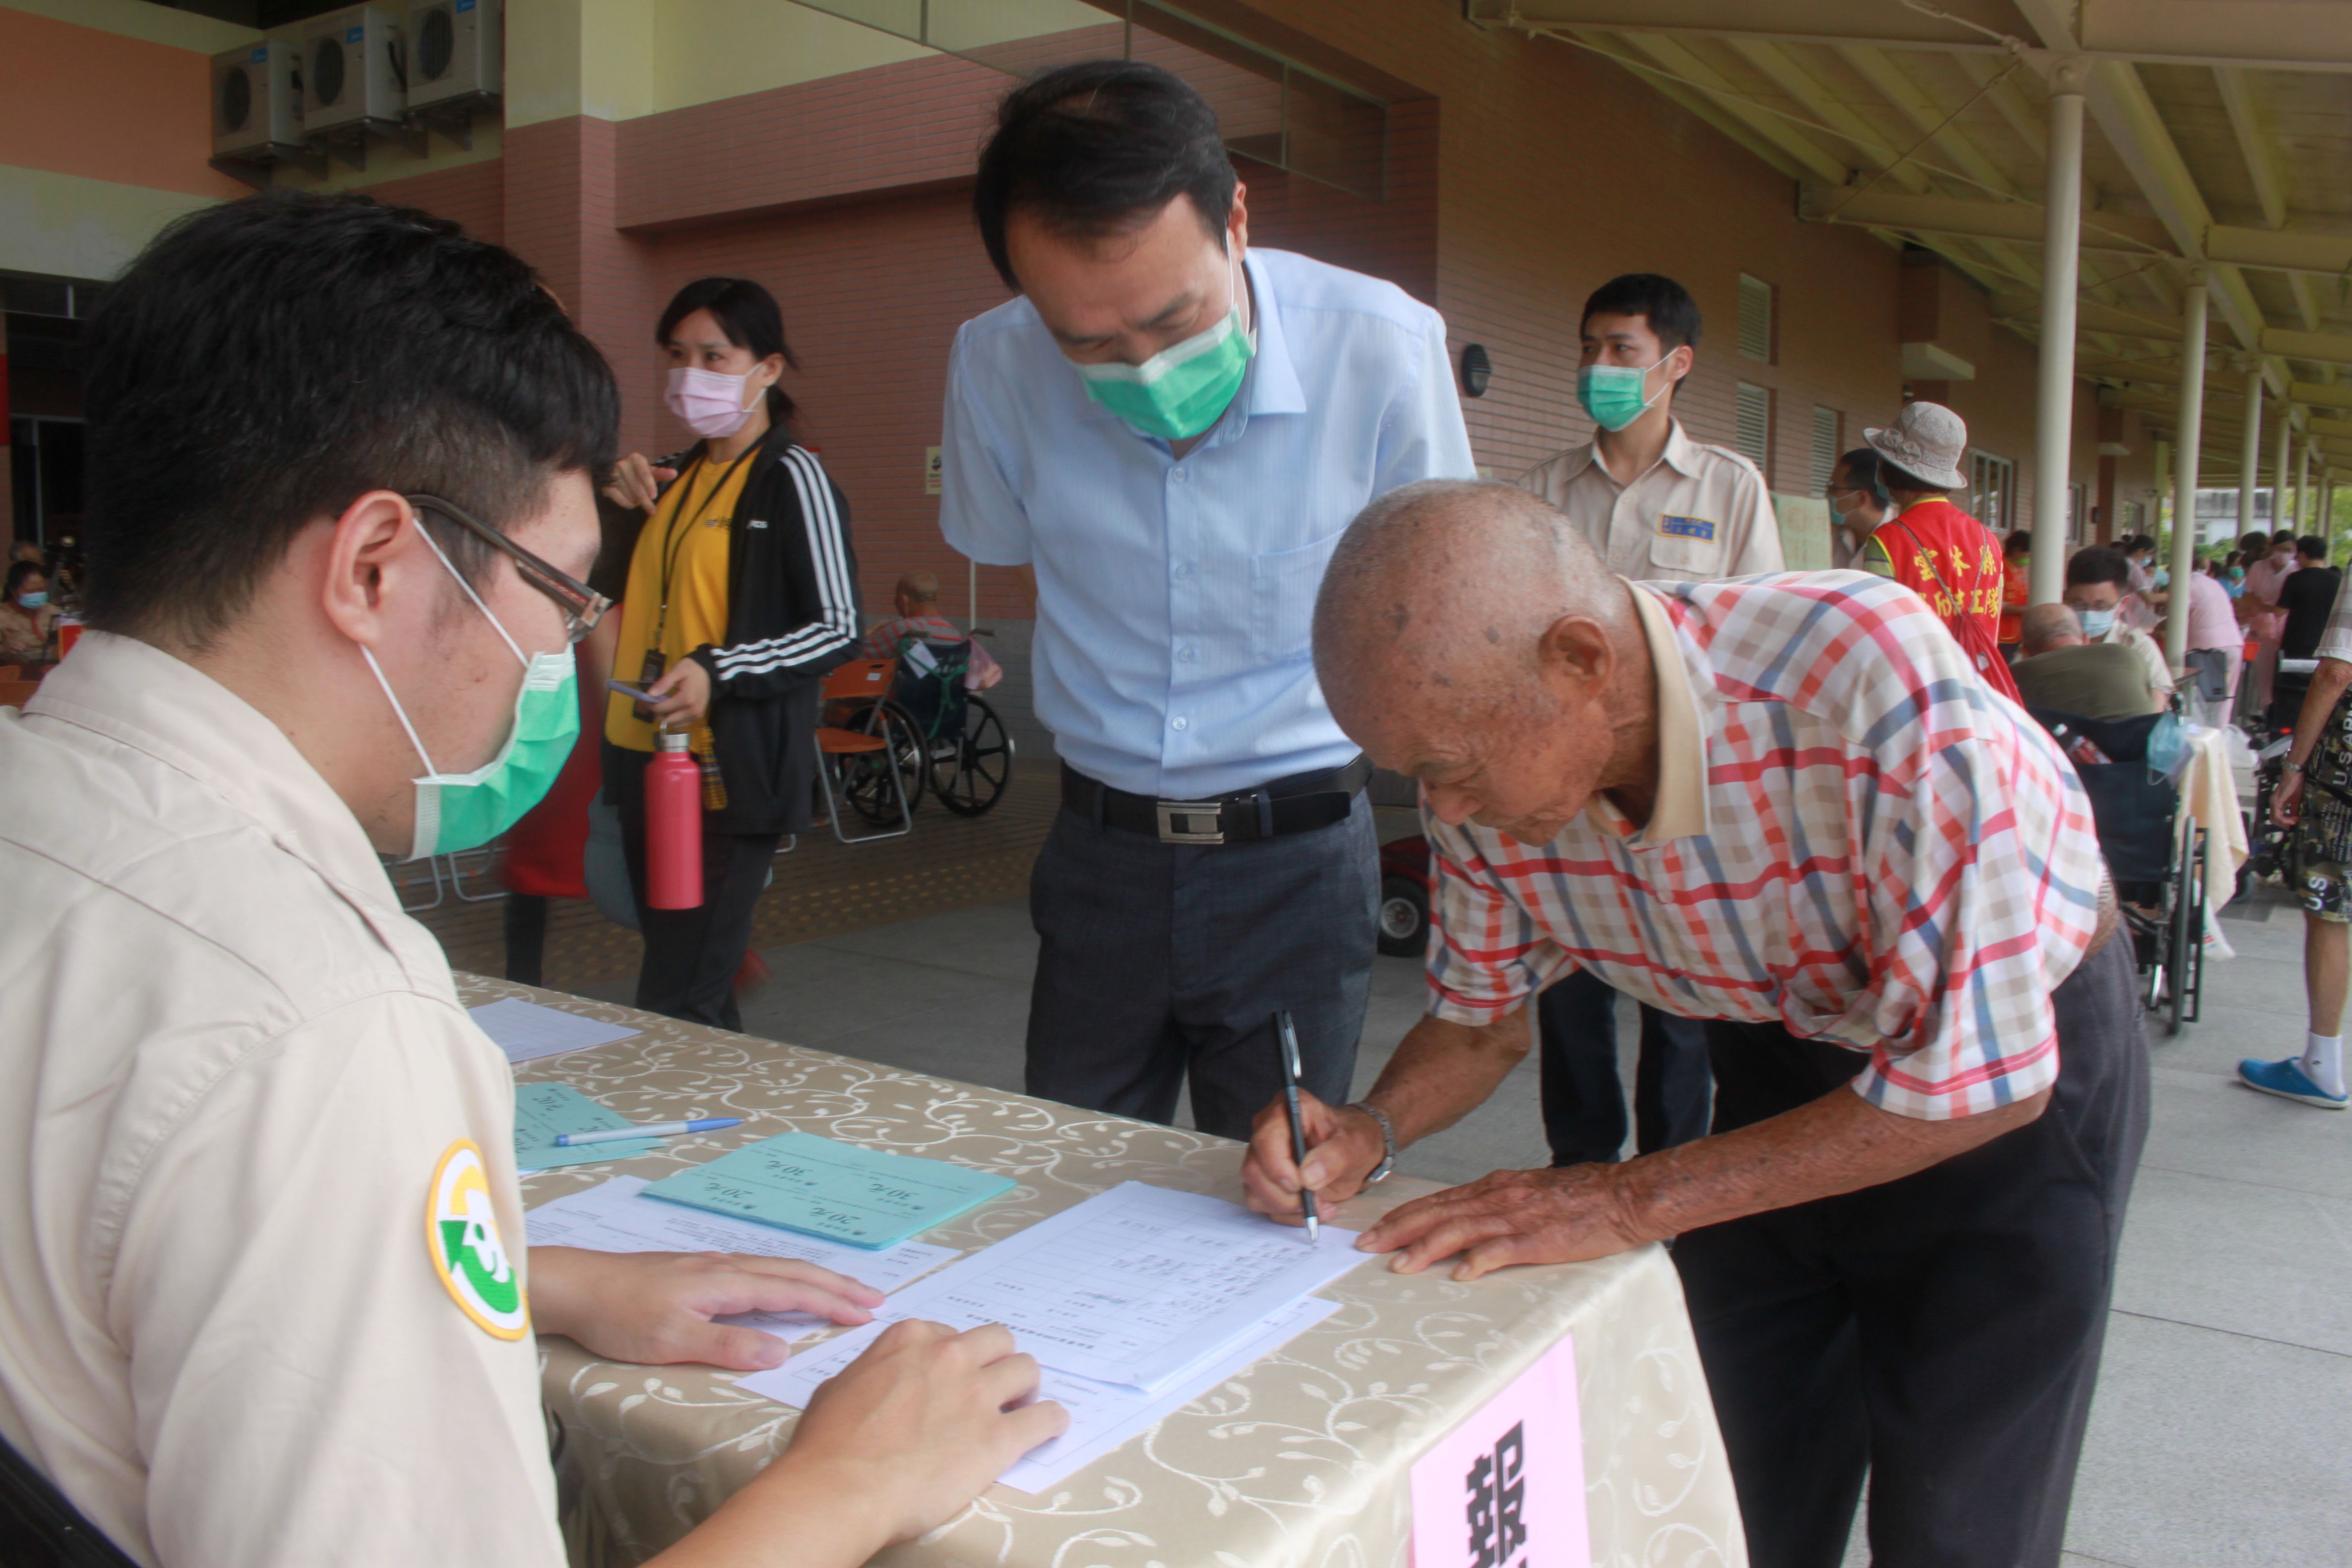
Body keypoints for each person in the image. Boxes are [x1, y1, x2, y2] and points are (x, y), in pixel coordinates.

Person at [0, 192, 1060, 1568]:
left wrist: (522, 1281)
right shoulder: (321, 1033)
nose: (558, 661)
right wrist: (847, 1490)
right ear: (377, 565)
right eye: (557, 598)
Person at [1245, 480, 2141, 1568]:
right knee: (1724, 1482)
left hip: (2005, 1068)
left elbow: (1980, 1079)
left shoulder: (1862, 675)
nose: (1445, 813)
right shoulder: (1489, 781)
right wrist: (1368, 1128)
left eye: (1448, 770)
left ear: (1582, 662)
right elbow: (1480, 1024)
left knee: (1961, 1522)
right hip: (1779, 1050)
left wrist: (1626, 1196)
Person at [938, 60, 1475, 1138]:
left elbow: (1441, 598)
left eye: (1177, 319)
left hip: (1301, 853)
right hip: (1100, 858)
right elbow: (993, 543)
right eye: (1088, 343)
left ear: (1235, 215)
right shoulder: (993, 365)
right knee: (1071, 1178)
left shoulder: (1381, 348)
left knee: (1277, 1186)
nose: (1142, 366)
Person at [1512, 272, 1782, 1170]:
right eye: (1588, 347)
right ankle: (1580, 1168)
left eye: (1620, 350)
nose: (1599, 367)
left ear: (1675, 363)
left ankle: (1672, 1179)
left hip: (1680, 782)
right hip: (1568, 780)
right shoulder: (1541, 491)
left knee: (1684, 992)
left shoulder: (1731, 489)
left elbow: (1757, 637)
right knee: (1570, 985)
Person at [598, 277, 859, 1030]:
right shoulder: (671, 482)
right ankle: (722, 1129)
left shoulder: (789, 478)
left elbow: (837, 624)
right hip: (648, 761)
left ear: (768, 369)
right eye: (679, 356)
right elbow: (606, 597)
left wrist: (720, 668)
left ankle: (695, 1129)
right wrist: (614, 510)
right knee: (689, 982)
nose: (692, 375)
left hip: (726, 775)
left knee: (678, 991)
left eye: (716, 356)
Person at [2252, 565, 2352, 1111]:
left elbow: (2336, 673)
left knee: (2332, 909)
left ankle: (2322, 1065)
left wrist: (2295, 766)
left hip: (2345, 783)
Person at [1852, 402, 2025, 704]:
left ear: (1891, 467)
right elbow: (1992, 628)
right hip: (1979, 696)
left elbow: (1878, 635)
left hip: (1916, 699)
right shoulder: (1989, 541)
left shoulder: (1888, 540)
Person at [2063, 545, 2176, 708]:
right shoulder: (2050, 639)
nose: (2088, 614)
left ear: (2122, 604)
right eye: (2078, 604)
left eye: (2100, 607)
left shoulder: (2137, 646)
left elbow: (2155, 707)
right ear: (2065, 598)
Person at [2011, 602, 2162, 719]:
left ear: (2025, 652)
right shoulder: (2128, 655)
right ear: (2086, 640)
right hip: (2142, 754)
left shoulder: (2014, 679)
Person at [860, 570, 1004, 689]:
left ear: (904, 601)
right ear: (936, 599)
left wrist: (871, 632)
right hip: (945, 709)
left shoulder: (902, 630)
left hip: (903, 707)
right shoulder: (953, 634)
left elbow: (856, 655)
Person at [2241, 529, 2302, 709]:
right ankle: (2266, 711)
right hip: (2260, 631)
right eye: (2281, 549)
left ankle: (2280, 711)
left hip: (2286, 631)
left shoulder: (2296, 570)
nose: (2284, 554)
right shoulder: (2259, 567)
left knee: (2282, 676)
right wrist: (2265, 607)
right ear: (2272, 547)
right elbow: (2248, 595)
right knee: (2263, 677)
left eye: (2290, 550)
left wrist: (2272, 609)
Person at [2277, 535, 2340, 662]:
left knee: (2292, 680)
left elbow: (2280, 611)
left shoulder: (2295, 579)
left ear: (2303, 555)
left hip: (2296, 641)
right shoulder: (2338, 579)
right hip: (2327, 642)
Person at [1826, 446, 1890, 569]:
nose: (1828, 496)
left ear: (1861, 498)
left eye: (1834, 489)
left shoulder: (1901, 542)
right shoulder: (1829, 534)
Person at [1, 561, 55, 663]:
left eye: (42, 590)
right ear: (13, 590)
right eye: (30, 591)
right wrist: (4, 649)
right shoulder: (3, 616)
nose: (37, 595)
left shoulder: (52, 611)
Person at [1998, 528, 2031, 652]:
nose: (2028, 558)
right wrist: (2026, 610)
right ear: (2017, 551)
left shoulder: (2019, 568)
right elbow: (1998, 604)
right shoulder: (1999, 567)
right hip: (2002, 636)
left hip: (2018, 634)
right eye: (2026, 554)